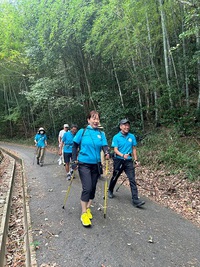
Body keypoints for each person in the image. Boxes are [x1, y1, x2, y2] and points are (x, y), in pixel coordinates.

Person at [72, 111, 110, 227]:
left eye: (97, 119)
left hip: (96, 164)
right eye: (93, 118)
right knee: (87, 187)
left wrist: (107, 152)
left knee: (93, 188)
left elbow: (104, 146)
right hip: (84, 163)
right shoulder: (82, 132)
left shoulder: (101, 133)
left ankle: (88, 208)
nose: (96, 121)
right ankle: (83, 213)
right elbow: (74, 146)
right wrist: (74, 161)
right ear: (88, 120)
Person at [108, 119, 145, 207]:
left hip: (128, 161)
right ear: (120, 126)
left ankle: (135, 200)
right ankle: (110, 190)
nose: (127, 127)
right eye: (124, 125)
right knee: (115, 176)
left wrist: (136, 160)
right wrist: (122, 155)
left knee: (132, 179)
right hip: (119, 160)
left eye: (128, 125)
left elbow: (134, 148)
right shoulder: (116, 137)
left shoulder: (131, 136)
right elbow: (115, 150)